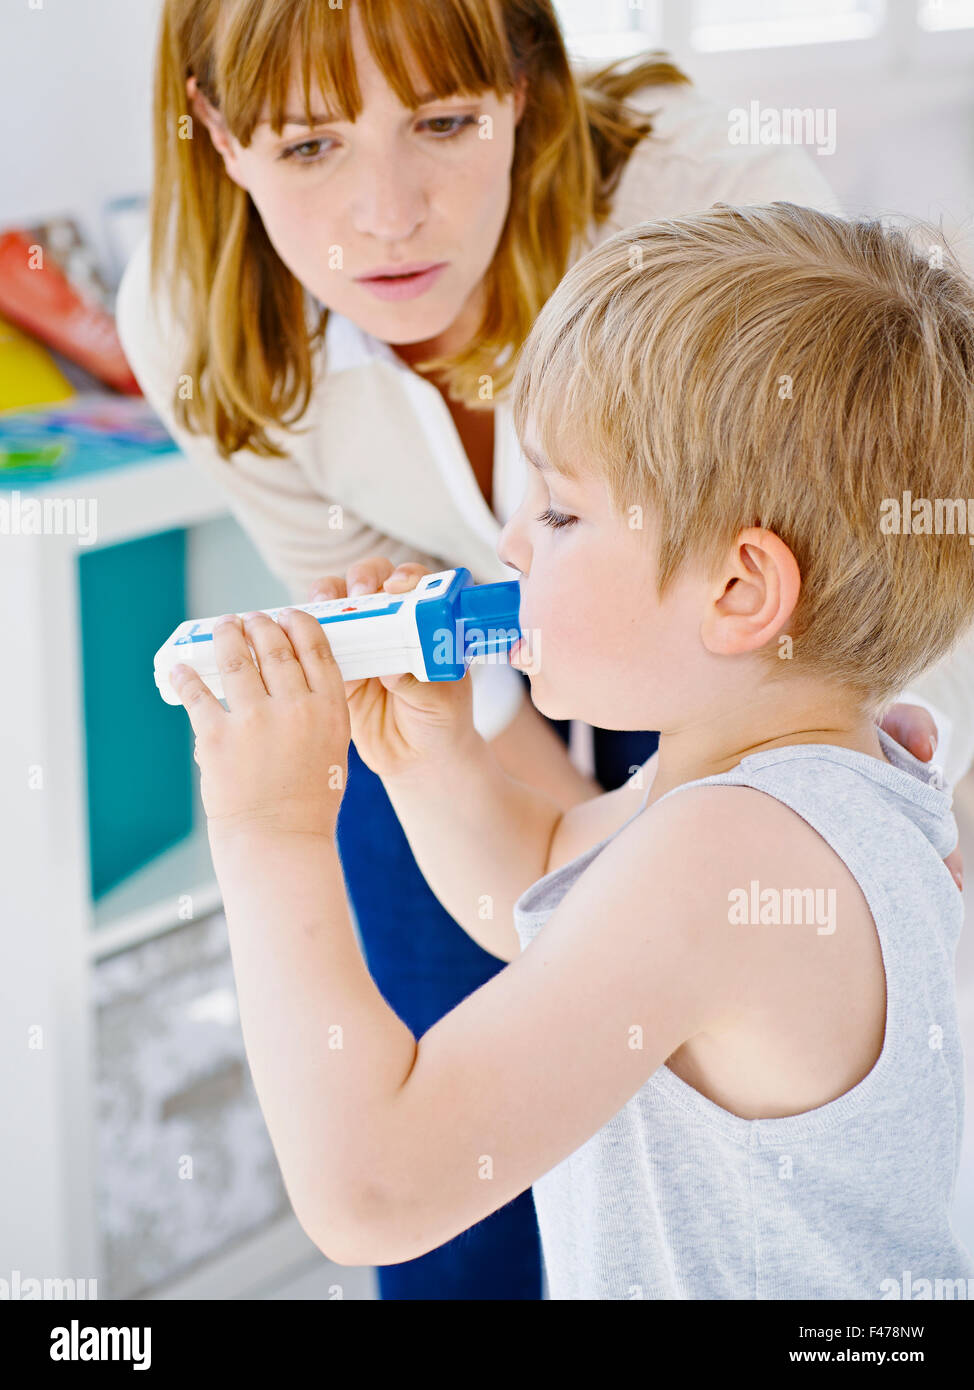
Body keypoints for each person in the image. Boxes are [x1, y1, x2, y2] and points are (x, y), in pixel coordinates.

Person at [116, 0, 973, 1298]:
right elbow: (541, 880)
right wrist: (432, 762)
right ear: (219, 141)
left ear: (742, 587)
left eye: (557, 512)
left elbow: (373, 1190)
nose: (502, 546)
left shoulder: (717, 852)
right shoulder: (825, 778)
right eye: (311, 146)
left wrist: (272, 831)